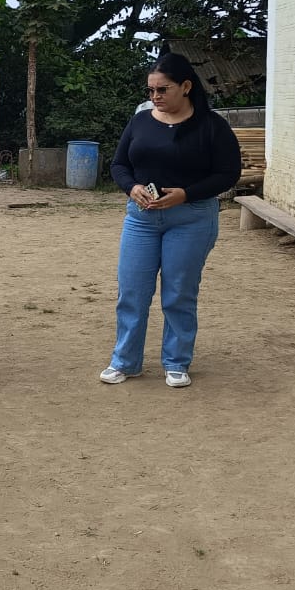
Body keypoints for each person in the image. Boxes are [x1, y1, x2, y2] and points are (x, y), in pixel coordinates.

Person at [100, 52, 242, 389]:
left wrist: (186, 194)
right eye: (150, 90)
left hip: (191, 219)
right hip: (141, 219)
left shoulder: (212, 126)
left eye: (162, 89)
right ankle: (125, 361)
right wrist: (131, 187)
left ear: (186, 86)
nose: (155, 96)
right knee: (131, 291)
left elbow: (228, 173)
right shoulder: (140, 122)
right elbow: (119, 164)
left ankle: (176, 362)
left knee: (179, 293)